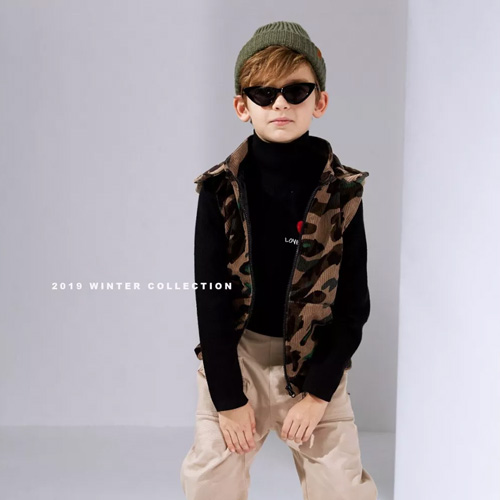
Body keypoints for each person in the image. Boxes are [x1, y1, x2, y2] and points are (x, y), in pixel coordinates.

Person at [180, 20, 378, 500]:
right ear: (242, 106)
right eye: (264, 94)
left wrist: (318, 395)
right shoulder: (219, 189)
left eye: (296, 90)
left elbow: (353, 304)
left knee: (343, 491)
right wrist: (228, 399)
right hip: (238, 357)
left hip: (315, 363)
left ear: (320, 101)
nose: (281, 104)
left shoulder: (342, 193)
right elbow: (211, 299)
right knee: (209, 483)